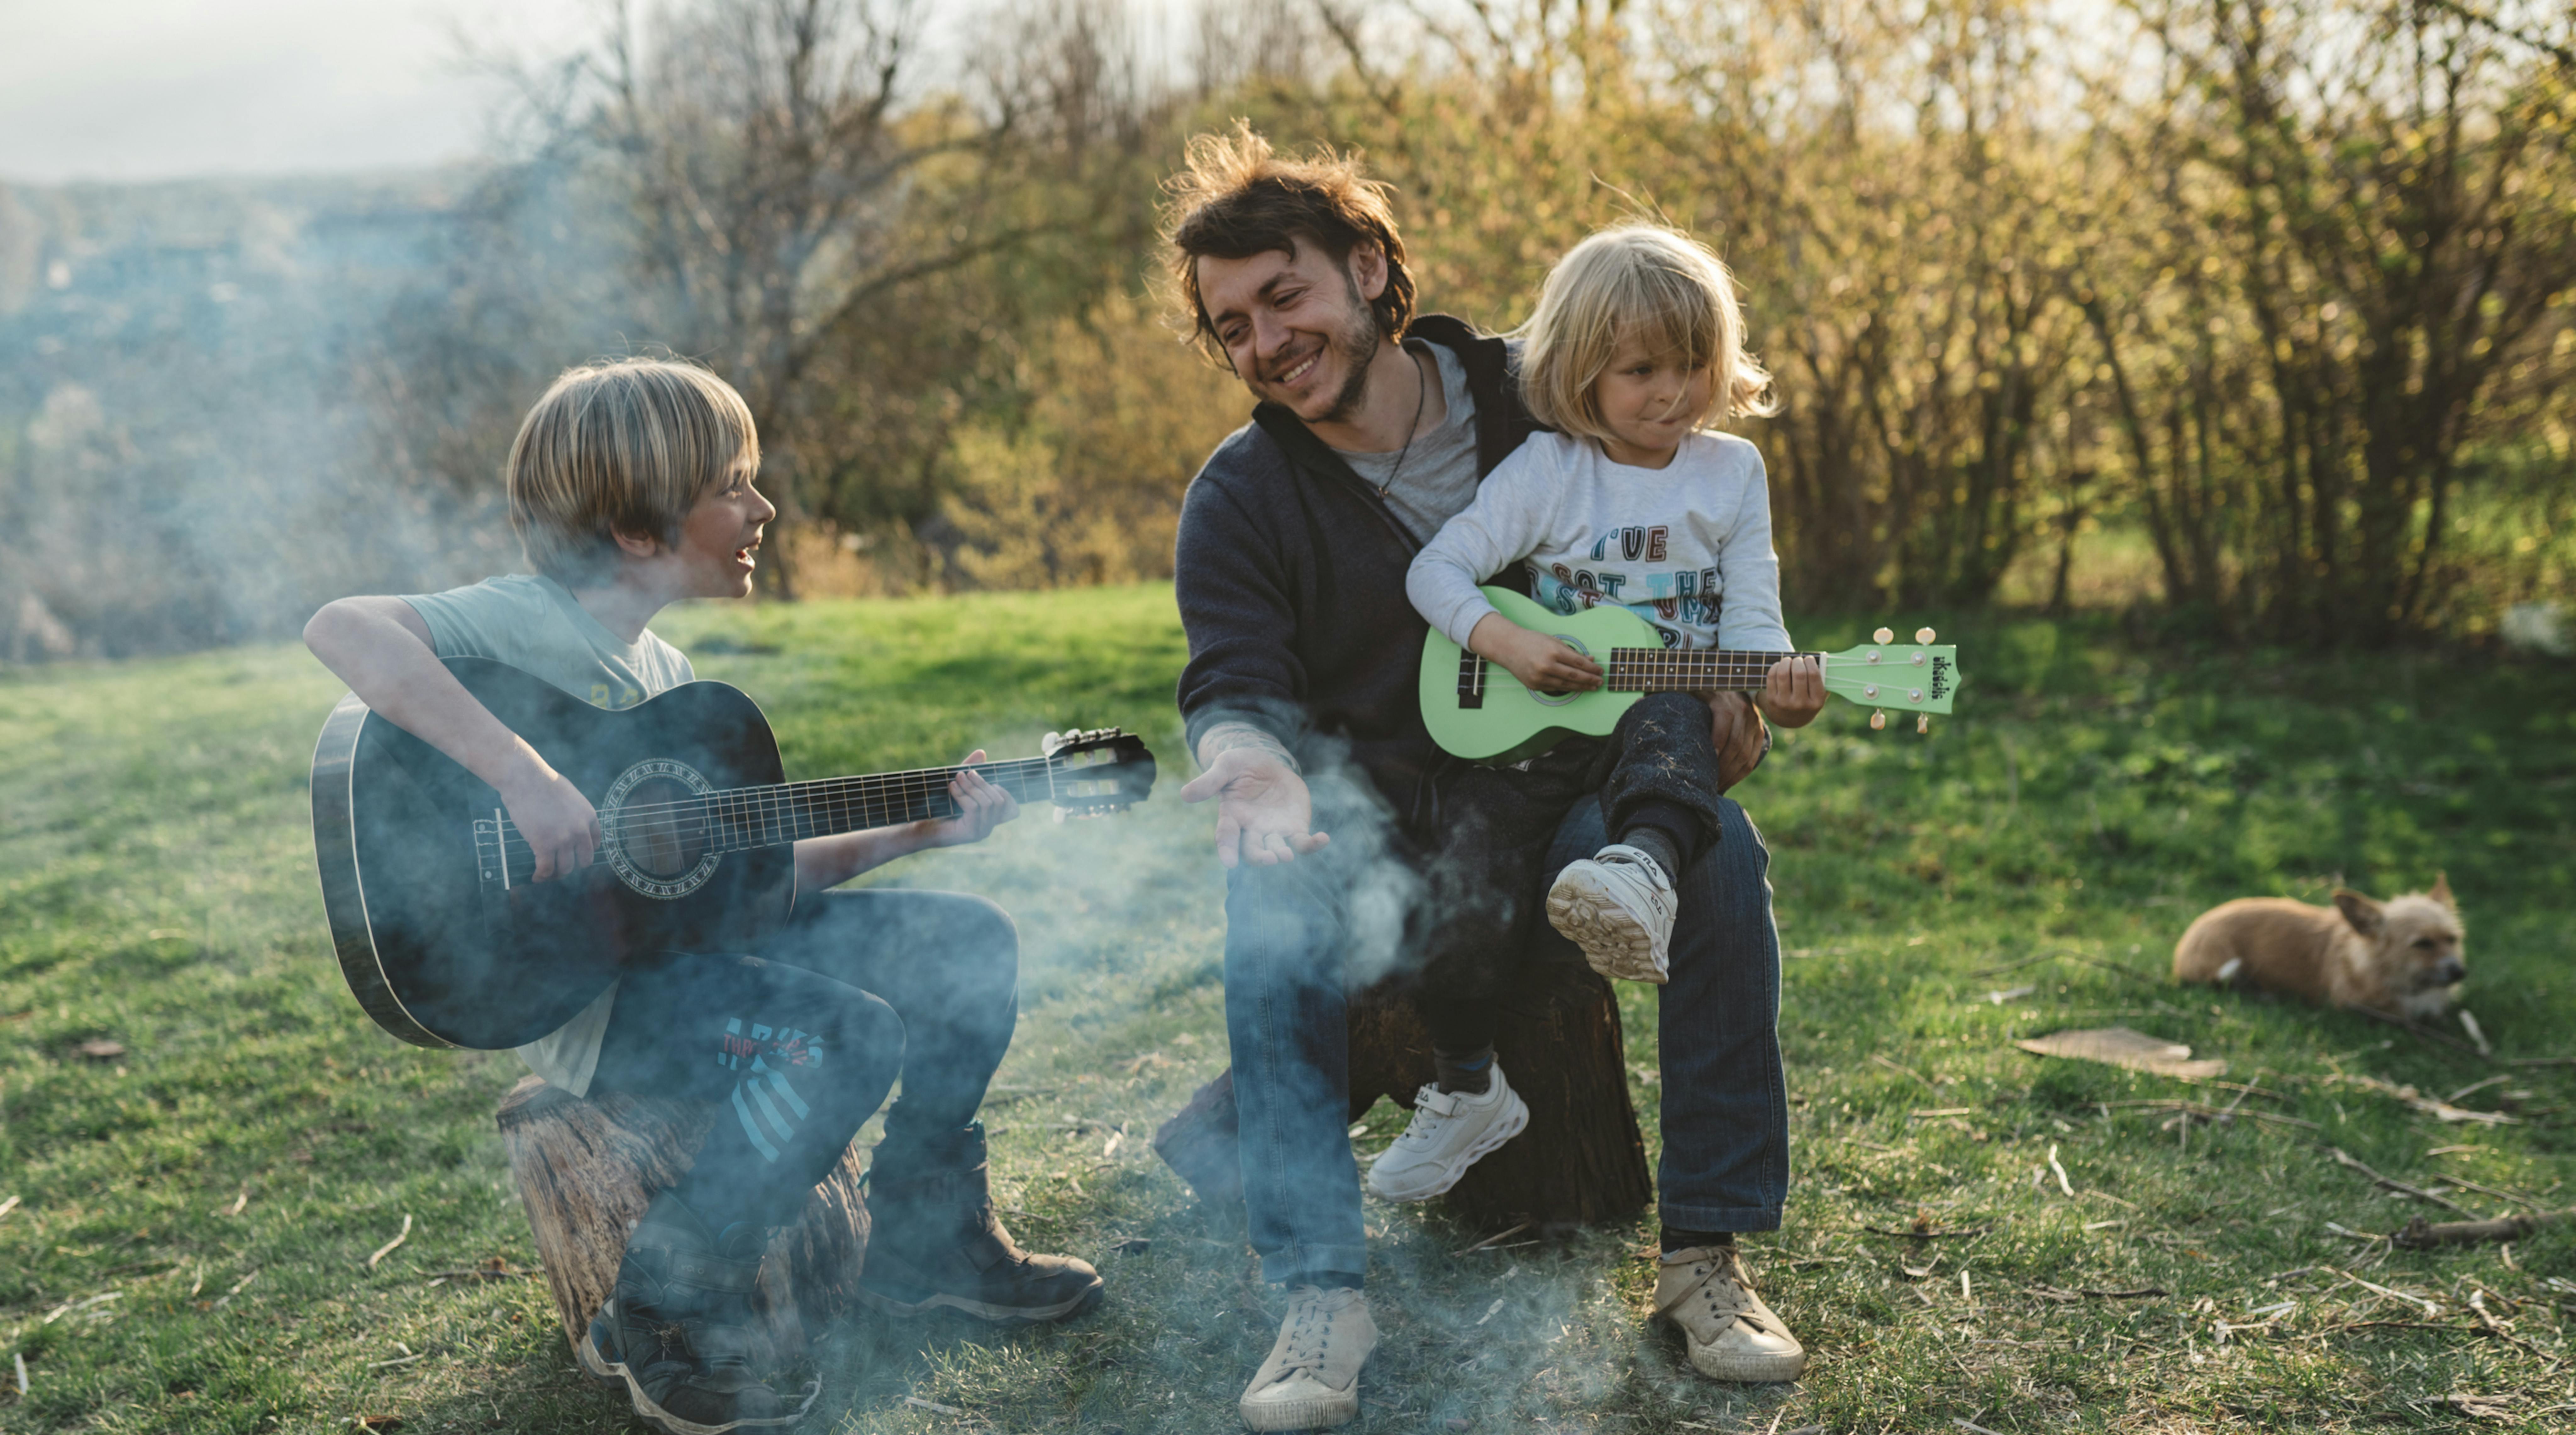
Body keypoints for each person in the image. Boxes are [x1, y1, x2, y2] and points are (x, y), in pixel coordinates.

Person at [303, 358, 1100, 1435]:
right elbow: (343, 629)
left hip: (691, 964)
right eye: (735, 484)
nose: (762, 508)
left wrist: (918, 831)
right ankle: (667, 1302)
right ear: (639, 527)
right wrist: (523, 777)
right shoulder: (522, 623)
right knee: (836, 1038)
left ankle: (922, 1237)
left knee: (965, 942)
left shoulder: (670, 680)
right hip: (595, 999)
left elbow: (743, 890)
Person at [1164, 125, 1809, 1433]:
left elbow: (1695, 533)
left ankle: (1707, 1257)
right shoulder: (1240, 495)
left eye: (1282, 295)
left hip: (1569, 777)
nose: (1264, 340)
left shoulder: (1544, 389)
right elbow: (1229, 680)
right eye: (1230, 326)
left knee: (1721, 861)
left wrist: (1728, 690)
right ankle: (1319, 1293)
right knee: (1273, 898)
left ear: (1363, 267)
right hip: (1382, 814)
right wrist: (1247, 769)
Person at [1408, 221, 1824, 1003]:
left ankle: (1645, 871)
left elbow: (1752, 624)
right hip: (1538, 736)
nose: (1672, 391)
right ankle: (1466, 1081)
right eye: (1641, 369)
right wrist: (1508, 644)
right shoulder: (1548, 471)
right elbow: (1435, 569)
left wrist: (1783, 693)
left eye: (1694, 365)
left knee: (1669, 711)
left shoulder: (1730, 473)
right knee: (1462, 866)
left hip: (1665, 737)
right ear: (1580, 370)